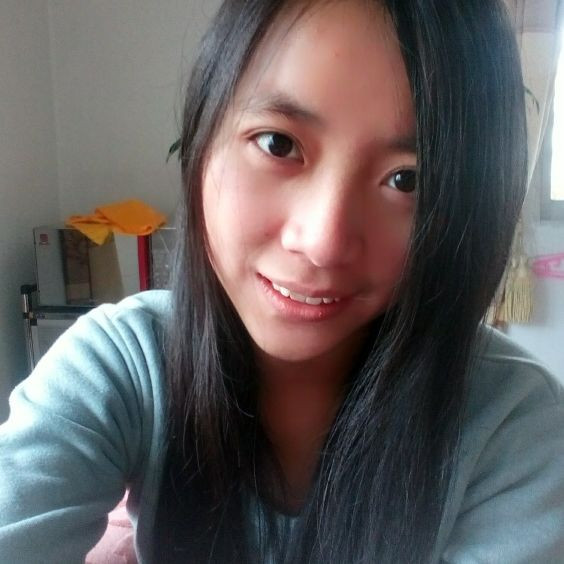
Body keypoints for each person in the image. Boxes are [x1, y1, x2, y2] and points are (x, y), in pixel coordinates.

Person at [1, 0, 564, 562]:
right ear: (203, 139)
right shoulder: (125, 364)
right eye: (279, 144)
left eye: (407, 180)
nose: (322, 242)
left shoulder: (512, 425)